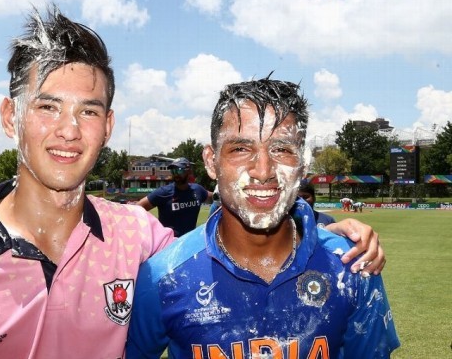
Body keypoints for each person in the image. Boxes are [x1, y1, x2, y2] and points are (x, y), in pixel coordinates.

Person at [0, 6, 383, 359]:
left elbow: (236, 242)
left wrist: (329, 232)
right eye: (48, 107)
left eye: (89, 111)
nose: (67, 131)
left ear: (107, 125)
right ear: (11, 117)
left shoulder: (139, 240)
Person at [126, 78, 399, 358]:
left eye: (281, 149)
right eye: (241, 149)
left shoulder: (352, 268)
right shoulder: (162, 277)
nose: (263, 170)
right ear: (211, 161)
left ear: (303, 163)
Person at [137, 157, 213, 237]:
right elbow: (137, 208)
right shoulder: (163, 192)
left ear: (189, 171)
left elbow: (213, 197)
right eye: (173, 171)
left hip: (189, 242)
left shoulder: (198, 190)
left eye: (179, 170)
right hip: (169, 245)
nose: (176, 174)